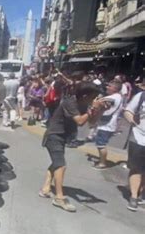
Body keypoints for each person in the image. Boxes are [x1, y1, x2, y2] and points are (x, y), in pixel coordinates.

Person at [38, 82, 105, 212]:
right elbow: (80, 121)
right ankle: (59, 197)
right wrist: (92, 110)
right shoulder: (70, 102)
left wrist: (100, 110)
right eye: (93, 97)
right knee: (61, 165)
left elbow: (91, 123)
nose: (94, 99)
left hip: (62, 137)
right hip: (54, 135)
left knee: (56, 164)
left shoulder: (85, 105)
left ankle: (45, 189)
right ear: (85, 95)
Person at [123, 82, 145, 211]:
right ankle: (134, 196)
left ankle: (141, 193)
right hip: (138, 137)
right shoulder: (141, 96)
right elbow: (128, 111)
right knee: (136, 168)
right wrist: (131, 120)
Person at [93, 80, 122, 170]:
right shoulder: (118, 97)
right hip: (107, 124)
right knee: (100, 143)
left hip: (107, 125)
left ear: (115, 88)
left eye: (109, 86)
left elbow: (103, 102)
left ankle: (102, 163)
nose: (107, 87)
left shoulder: (114, 97)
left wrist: (98, 100)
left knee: (101, 144)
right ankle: (102, 160)